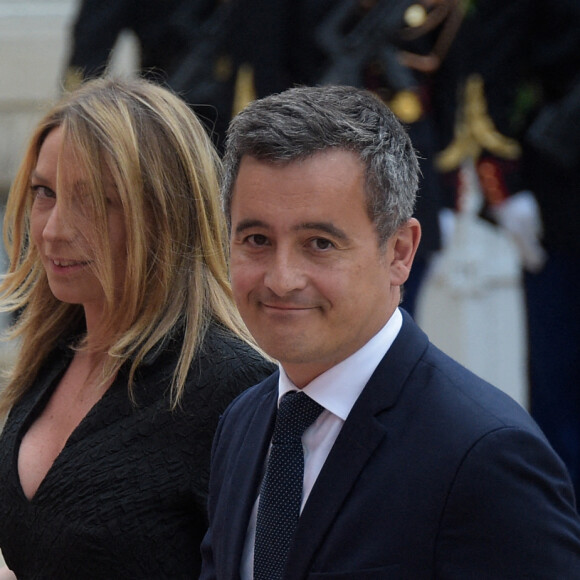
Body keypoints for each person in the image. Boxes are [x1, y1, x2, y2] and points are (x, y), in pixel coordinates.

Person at [199, 85, 580, 579]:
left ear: (400, 251)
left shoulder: (484, 455)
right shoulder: (243, 422)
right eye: (256, 240)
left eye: (319, 243)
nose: (281, 278)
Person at [0, 77, 275, 579]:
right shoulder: (55, 352)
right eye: (44, 192)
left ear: (165, 212)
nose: (54, 228)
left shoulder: (234, 388)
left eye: (94, 200)